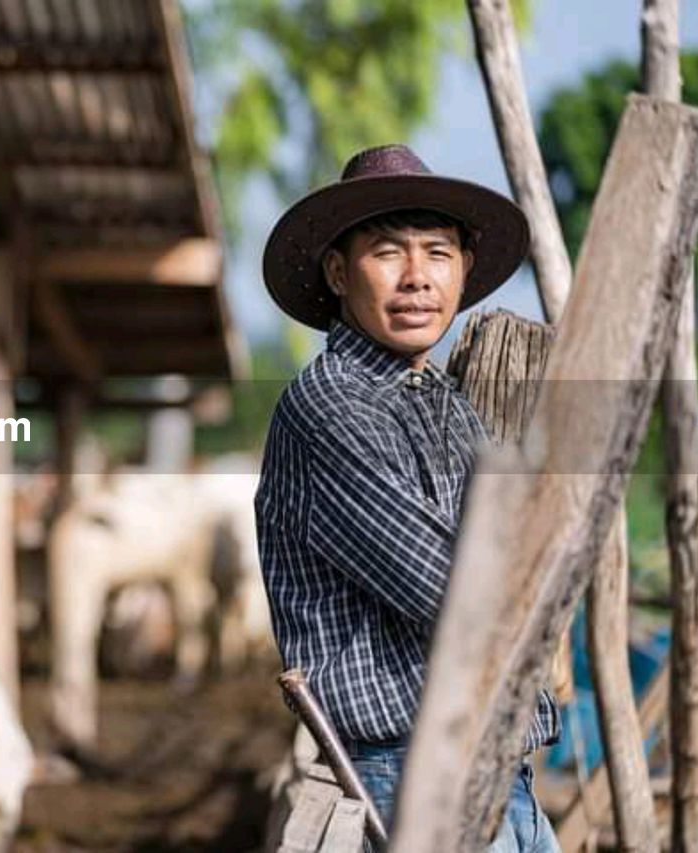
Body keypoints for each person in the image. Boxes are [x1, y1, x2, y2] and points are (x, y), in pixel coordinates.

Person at [255, 144, 561, 852]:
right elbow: (458, 593)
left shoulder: (452, 407)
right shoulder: (329, 406)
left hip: (496, 767)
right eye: (389, 252)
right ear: (338, 271)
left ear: (463, 270)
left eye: (438, 253)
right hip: (408, 770)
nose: (418, 277)